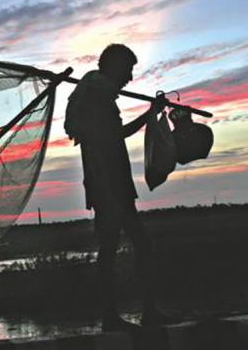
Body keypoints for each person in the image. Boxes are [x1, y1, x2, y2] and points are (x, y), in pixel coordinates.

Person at [64, 43, 174, 331]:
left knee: (122, 246)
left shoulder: (98, 97)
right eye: (128, 70)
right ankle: (115, 317)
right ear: (114, 67)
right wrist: (150, 114)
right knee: (122, 247)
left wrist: (151, 113)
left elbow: (113, 135)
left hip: (112, 182)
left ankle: (132, 314)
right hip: (108, 183)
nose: (130, 77)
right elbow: (115, 135)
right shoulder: (97, 100)